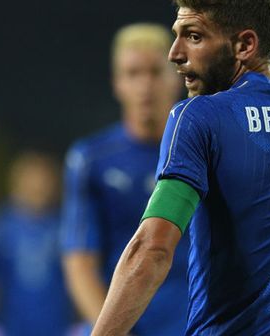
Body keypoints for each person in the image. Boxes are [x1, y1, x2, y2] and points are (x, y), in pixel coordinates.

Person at [90, 0, 270, 336]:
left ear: (245, 45)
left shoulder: (199, 117)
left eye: (194, 37)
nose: (174, 53)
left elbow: (151, 250)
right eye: (176, 36)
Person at [60, 23, 189, 335]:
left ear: (177, 78)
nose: (145, 85)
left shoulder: (205, 152)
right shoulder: (91, 159)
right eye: (133, 73)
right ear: (117, 83)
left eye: (156, 72)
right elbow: (79, 261)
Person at [0, 150, 73, 336]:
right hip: (12, 329)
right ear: (17, 183)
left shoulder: (64, 226)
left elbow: (80, 278)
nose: (39, 187)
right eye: (33, 181)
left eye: (45, 181)